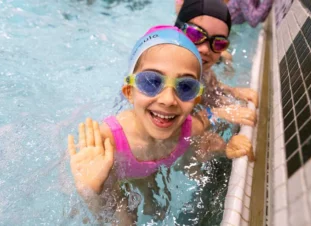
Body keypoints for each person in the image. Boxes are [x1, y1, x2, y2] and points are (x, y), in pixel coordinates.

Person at [67, 26, 254, 224]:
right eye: (151, 81)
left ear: (196, 99)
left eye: (185, 86)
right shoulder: (107, 143)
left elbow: (208, 137)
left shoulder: (191, 128)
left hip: (149, 171)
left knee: (157, 210)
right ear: (129, 92)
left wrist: (226, 149)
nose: (168, 100)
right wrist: (90, 192)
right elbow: (99, 212)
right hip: (119, 177)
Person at [175, 0, 259, 116]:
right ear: (177, 32)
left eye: (219, 43)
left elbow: (212, 87)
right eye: (195, 34)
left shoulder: (204, 70)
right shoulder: (165, 73)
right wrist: (213, 114)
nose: (205, 49)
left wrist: (233, 91)